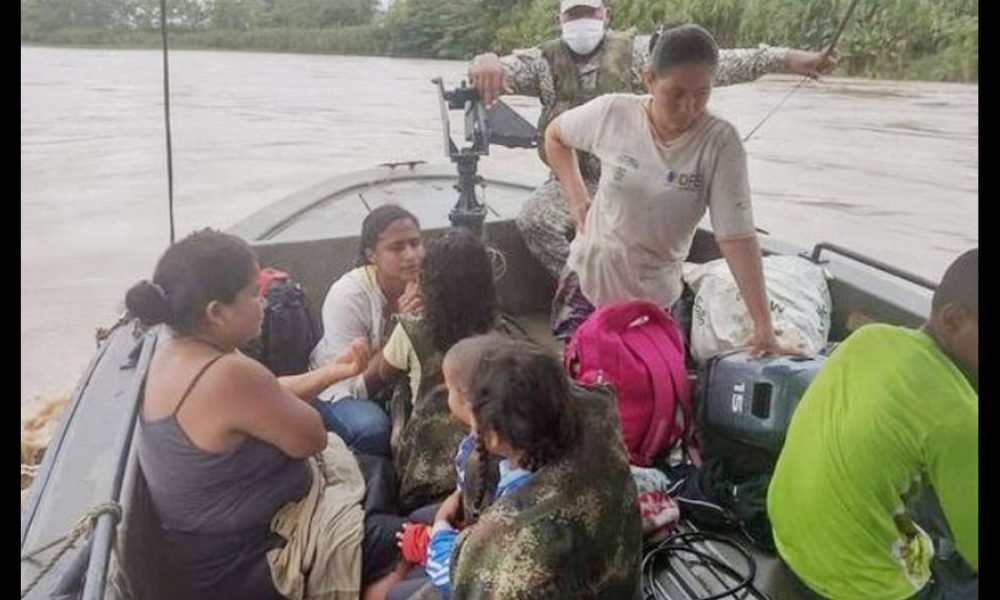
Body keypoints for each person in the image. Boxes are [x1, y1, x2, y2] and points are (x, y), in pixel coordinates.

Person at [469, 0, 840, 279]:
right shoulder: (541, 62)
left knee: (652, 225)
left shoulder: (641, 55)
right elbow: (495, 70)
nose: (582, 21)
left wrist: (790, 59)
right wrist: (483, 59)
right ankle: (579, 287)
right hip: (570, 181)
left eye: (590, 13)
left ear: (606, 14)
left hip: (632, 175)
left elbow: (722, 62)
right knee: (534, 219)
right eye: (573, 14)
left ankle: (653, 290)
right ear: (560, 19)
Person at [129, 228, 405, 600]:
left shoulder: (179, 350)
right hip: (251, 563)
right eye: (253, 294)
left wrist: (332, 373)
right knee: (409, 538)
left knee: (374, 469)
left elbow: (269, 394)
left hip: (210, 555)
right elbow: (312, 437)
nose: (264, 302)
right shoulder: (227, 374)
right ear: (216, 313)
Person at [545, 23, 792, 355]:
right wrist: (577, 197)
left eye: (701, 93)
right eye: (676, 93)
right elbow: (556, 137)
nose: (689, 107)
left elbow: (736, 238)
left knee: (648, 390)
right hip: (590, 275)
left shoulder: (720, 143)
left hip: (655, 294)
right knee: (581, 381)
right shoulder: (613, 113)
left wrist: (763, 326)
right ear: (649, 79)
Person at [768, 248, 978, 600]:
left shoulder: (870, 337)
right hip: (856, 590)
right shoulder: (958, 416)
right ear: (953, 319)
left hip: (787, 544)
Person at [392, 334, 642, 599]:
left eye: (450, 388)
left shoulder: (513, 536)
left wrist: (441, 528)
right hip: (607, 576)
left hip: (531, 572)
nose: (446, 393)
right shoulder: (593, 421)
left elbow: (459, 576)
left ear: (493, 436)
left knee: (398, 593)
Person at [363, 228, 514, 512]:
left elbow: (377, 375)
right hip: (487, 465)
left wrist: (395, 319)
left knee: (395, 391)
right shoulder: (502, 331)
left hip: (426, 473)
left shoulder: (414, 330)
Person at [309, 204, 426, 456]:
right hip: (342, 388)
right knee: (372, 429)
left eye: (415, 244)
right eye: (397, 248)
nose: (410, 255)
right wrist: (402, 326)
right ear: (372, 254)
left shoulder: (429, 283)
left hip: (402, 382)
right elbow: (360, 385)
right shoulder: (349, 296)